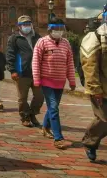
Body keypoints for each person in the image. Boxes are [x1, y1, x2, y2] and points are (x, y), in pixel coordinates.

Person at [32, 18, 76, 149]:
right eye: (56, 29)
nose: (58, 32)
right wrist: (37, 79)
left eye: (61, 29)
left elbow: (70, 63)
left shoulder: (66, 43)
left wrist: (72, 81)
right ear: (50, 29)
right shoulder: (42, 42)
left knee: (53, 106)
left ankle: (45, 127)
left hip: (60, 81)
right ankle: (58, 137)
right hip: (46, 80)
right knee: (54, 108)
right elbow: (36, 61)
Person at [80, 4, 107, 161]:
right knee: (104, 120)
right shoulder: (94, 37)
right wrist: (95, 89)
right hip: (101, 88)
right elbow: (89, 66)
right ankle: (90, 143)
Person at [6, 15, 43, 127]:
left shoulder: (38, 37)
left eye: (28, 23)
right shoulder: (14, 38)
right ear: (19, 26)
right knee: (22, 98)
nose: (26, 26)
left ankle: (32, 113)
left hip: (37, 72)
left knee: (40, 96)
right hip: (22, 72)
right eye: (24, 24)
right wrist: (12, 70)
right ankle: (24, 117)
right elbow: (10, 54)